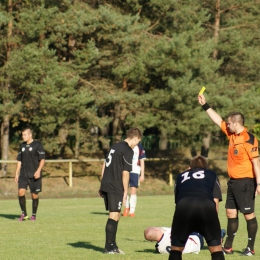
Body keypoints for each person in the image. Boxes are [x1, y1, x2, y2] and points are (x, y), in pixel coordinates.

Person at [198, 94, 260, 256]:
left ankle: (250, 248)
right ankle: (228, 247)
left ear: (236, 123)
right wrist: (205, 105)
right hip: (233, 182)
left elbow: (256, 163)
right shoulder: (232, 134)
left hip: (246, 182)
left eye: (229, 123)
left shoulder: (249, 140)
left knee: (248, 214)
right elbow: (217, 120)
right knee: (230, 213)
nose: (227, 125)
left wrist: (259, 184)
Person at [169, 155, 225, 260]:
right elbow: (215, 201)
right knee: (216, 248)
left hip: (184, 205)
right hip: (206, 205)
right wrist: (214, 228)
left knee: (176, 248)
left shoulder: (180, 176)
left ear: (190, 167)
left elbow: (178, 201)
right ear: (205, 167)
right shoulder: (211, 174)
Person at [99, 127, 143, 254]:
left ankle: (113, 245)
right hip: (115, 185)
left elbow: (104, 165)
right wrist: (125, 191)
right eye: (138, 141)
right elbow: (125, 173)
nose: (137, 145)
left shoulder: (115, 147)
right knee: (113, 214)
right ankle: (108, 247)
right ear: (135, 138)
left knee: (117, 214)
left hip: (107, 183)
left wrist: (102, 184)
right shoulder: (128, 150)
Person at [14, 127, 45, 221]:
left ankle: (34, 215)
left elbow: (42, 159)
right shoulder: (22, 146)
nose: (23, 136)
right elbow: (19, 160)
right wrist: (16, 173)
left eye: (25, 135)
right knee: (20, 192)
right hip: (24, 174)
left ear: (30, 135)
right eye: (22, 135)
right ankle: (24, 214)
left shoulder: (37, 145)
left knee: (34, 195)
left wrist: (38, 171)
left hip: (34, 174)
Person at [144, 227, 226, 255]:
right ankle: (219, 235)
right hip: (196, 241)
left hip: (192, 246)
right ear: (156, 229)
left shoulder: (159, 248)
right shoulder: (170, 233)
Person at [122, 142, 146, 217]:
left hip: (135, 170)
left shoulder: (139, 146)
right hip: (125, 170)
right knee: (124, 189)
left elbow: (142, 160)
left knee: (133, 190)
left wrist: (142, 174)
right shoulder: (125, 145)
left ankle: (132, 211)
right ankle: (126, 207)